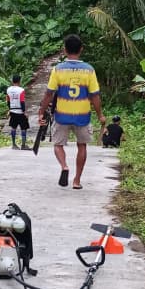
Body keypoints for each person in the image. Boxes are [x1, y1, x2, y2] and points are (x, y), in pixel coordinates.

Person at [38, 34, 107, 189]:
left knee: (58, 144)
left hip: (62, 114)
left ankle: (64, 166)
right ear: (81, 49)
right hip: (82, 115)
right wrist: (100, 115)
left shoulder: (58, 69)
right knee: (82, 146)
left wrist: (41, 111)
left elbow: (49, 93)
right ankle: (76, 181)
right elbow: (95, 96)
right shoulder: (89, 70)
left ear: (64, 50)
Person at [4, 74, 30, 150]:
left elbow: (8, 101)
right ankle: (23, 145)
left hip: (12, 110)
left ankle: (14, 144)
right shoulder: (21, 90)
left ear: (12, 81)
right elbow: (22, 102)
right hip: (20, 111)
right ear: (19, 81)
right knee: (24, 127)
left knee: (13, 127)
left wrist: (9, 109)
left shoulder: (8, 90)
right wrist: (24, 111)